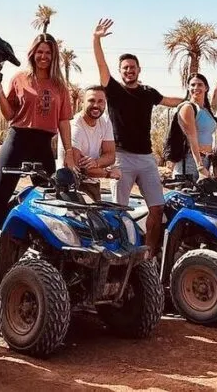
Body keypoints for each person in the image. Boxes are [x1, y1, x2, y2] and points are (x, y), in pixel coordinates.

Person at [92, 18, 185, 258]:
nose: (129, 70)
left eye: (133, 67)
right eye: (125, 68)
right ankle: (120, 254)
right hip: (121, 158)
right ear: (120, 71)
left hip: (146, 159)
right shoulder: (112, 89)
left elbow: (168, 101)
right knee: (119, 211)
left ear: (139, 69)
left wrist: (190, 99)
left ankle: (149, 257)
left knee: (157, 208)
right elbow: (101, 64)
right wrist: (96, 39)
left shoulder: (147, 92)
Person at [0, 33, 74, 251]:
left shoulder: (60, 86)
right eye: (40, 52)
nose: (43, 56)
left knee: (48, 202)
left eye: (48, 53)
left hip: (43, 146)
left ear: (54, 56)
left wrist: (68, 151)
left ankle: (41, 255)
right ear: (33, 53)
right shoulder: (20, 78)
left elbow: (64, 121)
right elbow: (10, 113)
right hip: (17, 141)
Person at [60, 85, 121, 202]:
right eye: (91, 100)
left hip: (93, 184)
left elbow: (110, 155)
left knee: (100, 219)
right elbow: (78, 167)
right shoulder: (75, 126)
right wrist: (108, 173)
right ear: (82, 102)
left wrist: (96, 162)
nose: (96, 105)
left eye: (101, 101)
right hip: (70, 185)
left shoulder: (105, 121)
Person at [164, 73, 217, 181]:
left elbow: (213, 110)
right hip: (191, 161)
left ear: (206, 88)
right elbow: (192, 137)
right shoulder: (187, 107)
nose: (196, 88)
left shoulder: (206, 111)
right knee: (188, 196)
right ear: (188, 88)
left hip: (205, 160)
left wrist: (216, 90)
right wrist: (200, 167)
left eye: (200, 85)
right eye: (192, 85)